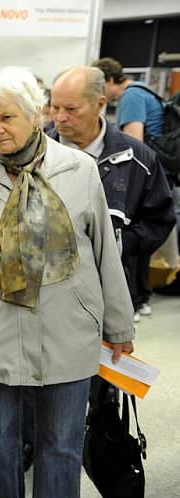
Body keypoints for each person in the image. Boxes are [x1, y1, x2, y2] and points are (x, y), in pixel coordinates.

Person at [0, 67, 134, 498]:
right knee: (1, 434)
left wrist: (117, 324)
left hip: (70, 330)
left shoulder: (78, 171)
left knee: (61, 442)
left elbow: (104, 252)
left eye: (6, 117)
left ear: (35, 115)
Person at [48, 66, 175, 321]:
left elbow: (159, 219)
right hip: (43, 294)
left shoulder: (138, 158)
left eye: (71, 109)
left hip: (108, 295)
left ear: (99, 104)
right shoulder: (35, 152)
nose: (60, 117)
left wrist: (121, 245)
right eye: (54, 107)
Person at [93, 57, 167, 319]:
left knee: (126, 238)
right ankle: (141, 299)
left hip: (142, 175)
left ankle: (133, 302)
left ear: (109, 81)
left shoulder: (131, 97)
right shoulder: (146, 91)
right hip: (162, 174)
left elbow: (132, 142)